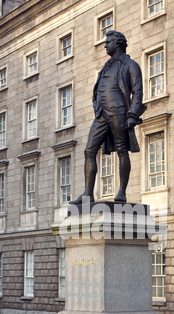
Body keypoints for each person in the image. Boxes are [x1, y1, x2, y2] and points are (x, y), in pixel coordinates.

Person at [71, 30, 146, 204]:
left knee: (122, 150)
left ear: (118, 43)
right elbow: (97, 90)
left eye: (108, 42)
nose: (105, 45)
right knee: (89, 150)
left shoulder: (130, 65)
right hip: (102, 114)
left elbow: (138, 91)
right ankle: (88, 194)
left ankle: (122, 192)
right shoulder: (106, 66)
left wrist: (133, 114)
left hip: (119, 111)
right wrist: (96, 105)